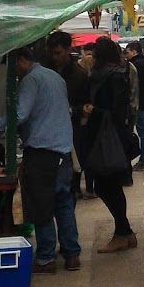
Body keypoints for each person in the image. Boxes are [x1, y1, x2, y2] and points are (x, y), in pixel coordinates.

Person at [0, 45, 81, 274]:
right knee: (63, 204)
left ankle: (46, 258)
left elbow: (19, 114)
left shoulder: (30, 80)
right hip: (63, 151)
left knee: (42, 205)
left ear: (20, 60)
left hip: (43, 153)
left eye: (12, 66)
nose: (13, 72)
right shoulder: (54, 77)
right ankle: (72, 254)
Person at [82, 38, 138, 253]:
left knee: (108, 185)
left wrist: (92, 111)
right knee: (109, 185)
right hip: (110, 138)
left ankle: (122, 232)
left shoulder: (112, 77)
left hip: (109, 139)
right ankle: (124, 231)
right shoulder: (115, 74)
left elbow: (117, 112)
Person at [47, 30, 91, 197]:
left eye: (58, 53)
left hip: (72, 131)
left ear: (67, 50)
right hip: (49, 132)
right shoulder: (46, 70)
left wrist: (75, 110)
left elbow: (86, 104)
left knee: (70, 172)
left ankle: (73, 190)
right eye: (52, 53)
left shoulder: (78, 75)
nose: (55, 57)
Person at [126, 41, 144, 169]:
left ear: (134, 51)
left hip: (141, 103)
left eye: (127, 52)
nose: (126, 55)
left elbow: (134, 87)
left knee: (143, 132)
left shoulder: (134, 65)